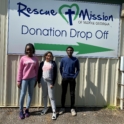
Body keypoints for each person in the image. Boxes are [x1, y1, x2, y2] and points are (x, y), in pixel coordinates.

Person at [17, 43, 39, 119]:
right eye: (27, 49)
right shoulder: (23, 58)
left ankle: (27, 110)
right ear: (26, 50)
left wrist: (36, 80)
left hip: (32, 79)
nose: (28, 50)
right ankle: (21, 111)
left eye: (30, 49)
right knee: (22, 94)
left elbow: (36, 70)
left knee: (30, 94)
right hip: (24, 79)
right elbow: (20, 70)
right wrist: (19, 80)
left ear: (33, 49)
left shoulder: (35, 59)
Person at [59, 46, 80, 116]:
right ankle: (62, 107)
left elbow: (78, 69)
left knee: (72, 93)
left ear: (72, 51)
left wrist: (74, 76)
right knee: (63, 93)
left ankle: (72, 108)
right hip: (65, 78)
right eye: (68, 50)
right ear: (66, 51)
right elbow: (60, 68)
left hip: (72, 79)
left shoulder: (75, 60)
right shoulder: (63, 59)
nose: (69, 51)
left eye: (71, 50)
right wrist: (62, 75)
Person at [38, 51, 57, 120]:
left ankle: (54, 112)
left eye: (50, 56)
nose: (49, 57)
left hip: (50, 82)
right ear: (45, 56)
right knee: (44, 95)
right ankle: (45, 108)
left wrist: (53, 83)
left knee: (51, 97)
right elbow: (39, 73)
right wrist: (39, 82)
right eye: (48, 55)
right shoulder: (42, 63)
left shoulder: (53, 63)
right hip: (43, 81)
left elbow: (55, 74)